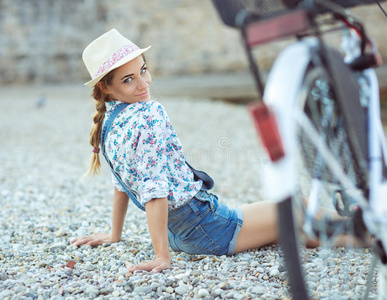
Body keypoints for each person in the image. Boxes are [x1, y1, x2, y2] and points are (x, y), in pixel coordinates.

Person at [71, 28, 278, 273]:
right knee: (295, 208)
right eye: (129, 79)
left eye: (143, 71)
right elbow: (154, 188)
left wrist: (114, 234)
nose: (143, 83)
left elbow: (121, 183)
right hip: (206, 228)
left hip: (177, 234)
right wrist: (161, 258)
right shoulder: (149, 113)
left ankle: (336, 237)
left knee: (298, 227)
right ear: (106, 87)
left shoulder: (109, 122)